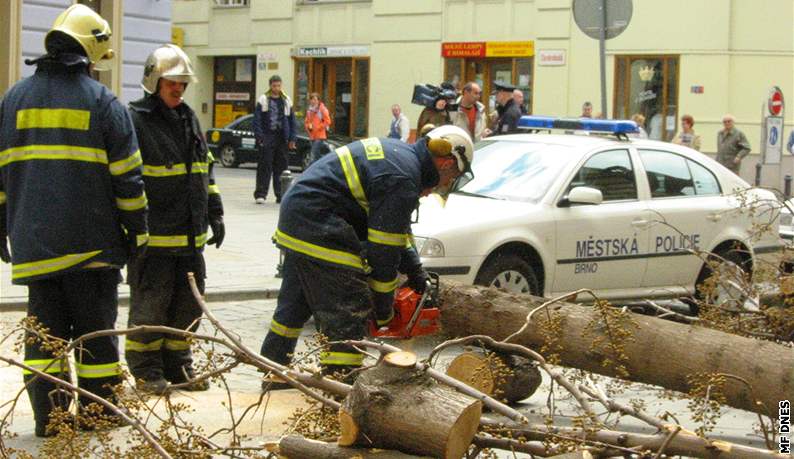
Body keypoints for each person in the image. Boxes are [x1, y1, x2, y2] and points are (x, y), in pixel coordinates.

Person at [0, 4, 147, 437]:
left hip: (35, 248)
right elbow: (128, 178)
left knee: (43, 339)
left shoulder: (13, 100)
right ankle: (99, 416)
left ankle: (51, 419)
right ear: (88, 53)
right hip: (92, 248)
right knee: (95, 336)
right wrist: (137, 229)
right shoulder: (103, 103)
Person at [259, 125, 474, 388]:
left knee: (295, 305)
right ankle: (342, 387)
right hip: (321, 222)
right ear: (447, 163)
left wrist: (415, 270)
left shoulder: (401, 157)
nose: (441, 187)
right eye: (450, 178)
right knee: (349, 307)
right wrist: (383, 307)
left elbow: (394, 229)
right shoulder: (404, 177)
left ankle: (274, 372)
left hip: (300, 216)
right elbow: (383, 252)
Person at [125, 44, 225, 395]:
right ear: (154, 81)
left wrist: (216, 211)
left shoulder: (189, 118)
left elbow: (204, 168)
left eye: (183, 84)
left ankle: (179, 365)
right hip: (154, 239)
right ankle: (146, 371)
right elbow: (127, 178)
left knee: (188, 308)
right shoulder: (135, 120)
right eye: (173, 83)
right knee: (151, 309)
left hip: (189, 238)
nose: (179, 90)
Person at [253, 75, 296, 204]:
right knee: (264, 166)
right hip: (268, 136)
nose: (277, 88)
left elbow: (292, 121)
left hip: (282, 138)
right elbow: (257, 120)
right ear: (270, 86)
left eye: (279, 85)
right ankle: (261, 194)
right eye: (274, 86)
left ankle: (281, 194)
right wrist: (260, 136)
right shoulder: (263, 99)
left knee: (282, 167)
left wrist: (292, 138)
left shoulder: (286, 100)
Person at [305, 92, 331, 164]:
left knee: (313, 155)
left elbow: (328, 121)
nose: (313, 101)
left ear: (318, 101)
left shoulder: (322, 109)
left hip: (320, 136)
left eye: (315, 100)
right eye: (312, 100)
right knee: (317, 155)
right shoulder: (309, 111)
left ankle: (311, 171)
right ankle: (325, 165)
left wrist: (318, 127)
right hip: (312, 136)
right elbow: (306, 122)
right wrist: (308, 127)